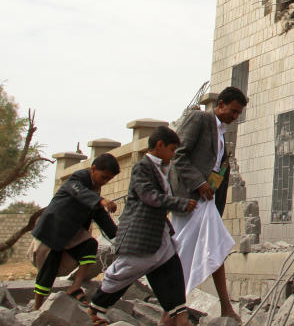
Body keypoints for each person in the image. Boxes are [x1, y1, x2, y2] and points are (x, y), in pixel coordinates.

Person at [87, 126, 197, 326]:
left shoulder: (162, 169)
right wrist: (179, 203)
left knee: (171, 271)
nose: (173, 155)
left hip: (159, 236)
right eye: (172, 150)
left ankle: (179, 317)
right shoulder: (142, 167)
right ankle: (95, 309)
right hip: (141, 236)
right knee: (124, 272)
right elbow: (149, 196)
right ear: (159, 145)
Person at [168, 86, 247, 322]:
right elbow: (178, 156)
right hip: (191, 199)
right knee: (186, 252)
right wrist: (199, 183)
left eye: (237, 114)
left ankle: (222, 306)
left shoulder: (221, 134)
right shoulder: (200, 119)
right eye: (232, 111)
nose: (234, 117)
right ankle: (172, 308)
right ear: (220, 104)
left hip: (205, 202)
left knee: (217, 247)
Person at [31, 153, 120, 309]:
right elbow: (79, 192)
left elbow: (99, 214)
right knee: (48, 269)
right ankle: (37, 306)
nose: (105, 182)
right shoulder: (78, 178)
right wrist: (101, 200)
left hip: (72, 235)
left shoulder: (95, 190)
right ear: (93, 169)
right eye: (103, 177)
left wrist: (117, 234)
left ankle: (75, 286)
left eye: (108, 180)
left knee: (90, 246)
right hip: (54, 231)